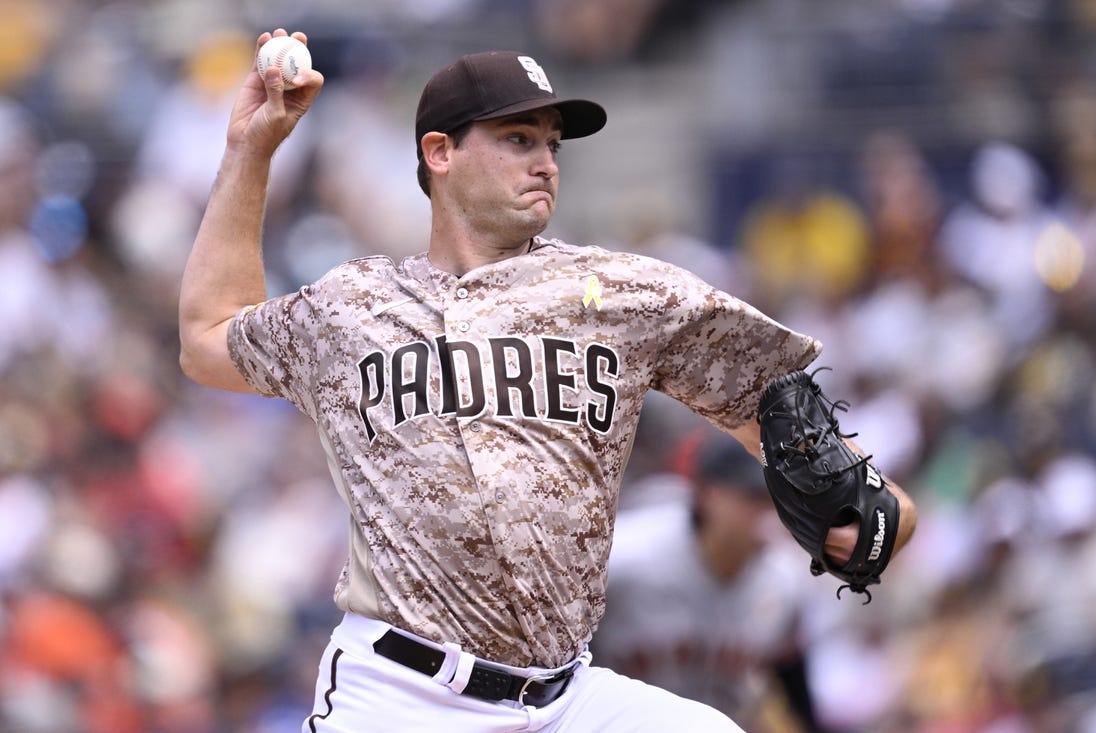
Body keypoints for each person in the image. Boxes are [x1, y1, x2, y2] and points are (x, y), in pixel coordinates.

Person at [178, 29, 917, 733]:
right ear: (440, 151)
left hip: (567, 698)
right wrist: (253, 148)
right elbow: (210, 336)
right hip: (402, 693)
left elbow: (778, 406)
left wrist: (877, 504)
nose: (546, 162)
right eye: (518, 140)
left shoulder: (621, 293)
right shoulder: (352, 306)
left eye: (552, 145)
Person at [592, 429, 824, 732]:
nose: (771, 515)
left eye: (780, 502)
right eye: (755, 498)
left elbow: (793, 680)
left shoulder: (786, 582)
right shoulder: (622, 560)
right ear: (707, 494)